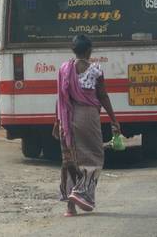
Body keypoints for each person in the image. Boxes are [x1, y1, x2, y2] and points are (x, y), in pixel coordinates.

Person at [54, 35, 120, 216]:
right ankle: (81, 193)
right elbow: (103, 95)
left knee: (70, 160)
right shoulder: (95, 70)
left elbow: (60, 98)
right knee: (94, 156)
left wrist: (56, 121)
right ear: (89, 50)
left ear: (73, 50)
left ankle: (70, 207)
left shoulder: (64, 68)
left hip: (66, 117)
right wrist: (114, 119)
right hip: (88, 116)